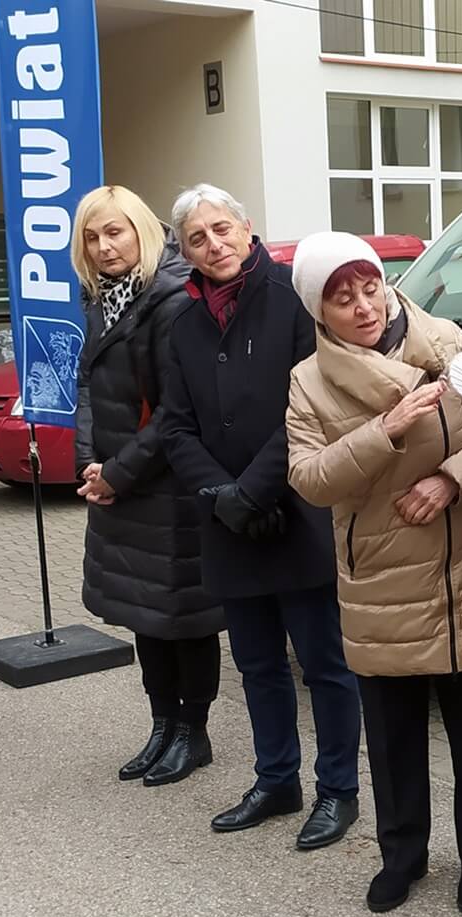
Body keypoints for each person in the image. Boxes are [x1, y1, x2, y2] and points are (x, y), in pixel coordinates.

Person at [284, 232, 462, 915]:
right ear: (318, 310)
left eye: (370, 286)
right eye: (341, 297)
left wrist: (449, 479)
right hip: (377, 578)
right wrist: (383, 430)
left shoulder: (446, 345)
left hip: (458, 567)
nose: (363, 307)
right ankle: (402, 855)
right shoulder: (309, 380)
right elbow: (309, 479)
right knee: (391, 734)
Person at [158, 185, 362, 851]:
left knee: (324, 664)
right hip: (226, 524)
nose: (213, 244)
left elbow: (314, 406)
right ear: (183, 249)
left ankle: (339, 790)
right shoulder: (181, 323)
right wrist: (222, 496)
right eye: (197, 237)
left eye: (223, 229)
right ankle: (277, 779)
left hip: (296, 511)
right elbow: (176, 425)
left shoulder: (293, 303)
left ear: (247, 229)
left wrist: (254, 491)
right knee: (256, 665)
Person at [69, 185, 225, 786]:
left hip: (170, 487)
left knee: (184, 617)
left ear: (142, 232)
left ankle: (195, 732)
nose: (105, 246)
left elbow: (174, 411)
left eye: (116, 232)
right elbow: (89, 385)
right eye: (93, 235)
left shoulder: (172, 300)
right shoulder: (102, 298)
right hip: (119, 484)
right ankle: (162, 725)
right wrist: (88, 460)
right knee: (145, 617)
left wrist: (117, 472)